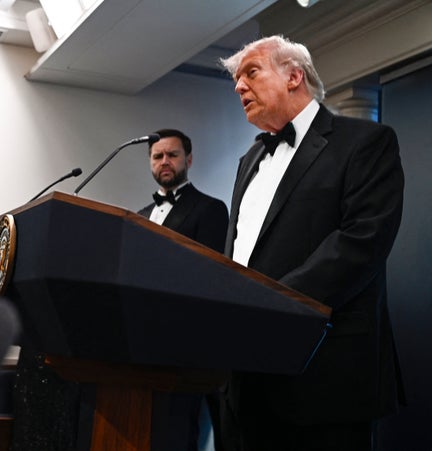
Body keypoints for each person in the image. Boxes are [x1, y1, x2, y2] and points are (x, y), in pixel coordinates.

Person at [219, 35, 404, 451]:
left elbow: (362, 243)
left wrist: (268, 306)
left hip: (324, 379)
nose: (238, 87)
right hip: (242, 380)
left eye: (251, 72)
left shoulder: (365, 142)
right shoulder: (248, 160)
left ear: (293, 76)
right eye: (236, 79)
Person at [138, 128, 229, 450]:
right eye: (158, 156)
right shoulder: (139, 218)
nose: (165, 161)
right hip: (143, 343)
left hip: (192, 342)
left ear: (188, 159)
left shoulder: (211, 209)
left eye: (172, 155)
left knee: (183, 433)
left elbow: (209, 276)